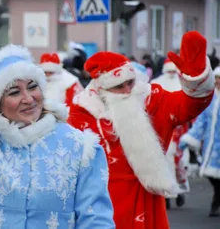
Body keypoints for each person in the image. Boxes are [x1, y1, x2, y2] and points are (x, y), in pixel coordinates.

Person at [0, 11, 115, 228]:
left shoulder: (81, 148)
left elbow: (96, 221)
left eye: (33, 87)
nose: (28, 99)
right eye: (14, 92)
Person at [68, 31, 214, 229]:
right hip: (102, 207)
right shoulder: (80, 115)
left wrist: (196, 78)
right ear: (102, 89)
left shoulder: (151, 100)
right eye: (119, 86)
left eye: (131, 83)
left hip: (148, 200)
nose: (128, 90)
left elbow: (190, 105)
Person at [179, 66, 220, 217]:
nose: (217, 82)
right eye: (216, 79)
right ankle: (217, 196)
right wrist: (190, 138)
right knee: (211, 174)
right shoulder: (212, 99)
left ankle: (216, 201)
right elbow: (201, 121)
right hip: (211, 145)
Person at [151, 58, 190, 208]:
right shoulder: (157, 83)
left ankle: (180, 192)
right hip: (162, 131)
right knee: (164, 163)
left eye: (174, 71)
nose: (172, 74)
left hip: (181, 132)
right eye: (170, 71)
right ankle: (166, 195)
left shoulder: (183, 83)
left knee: (181, 163)